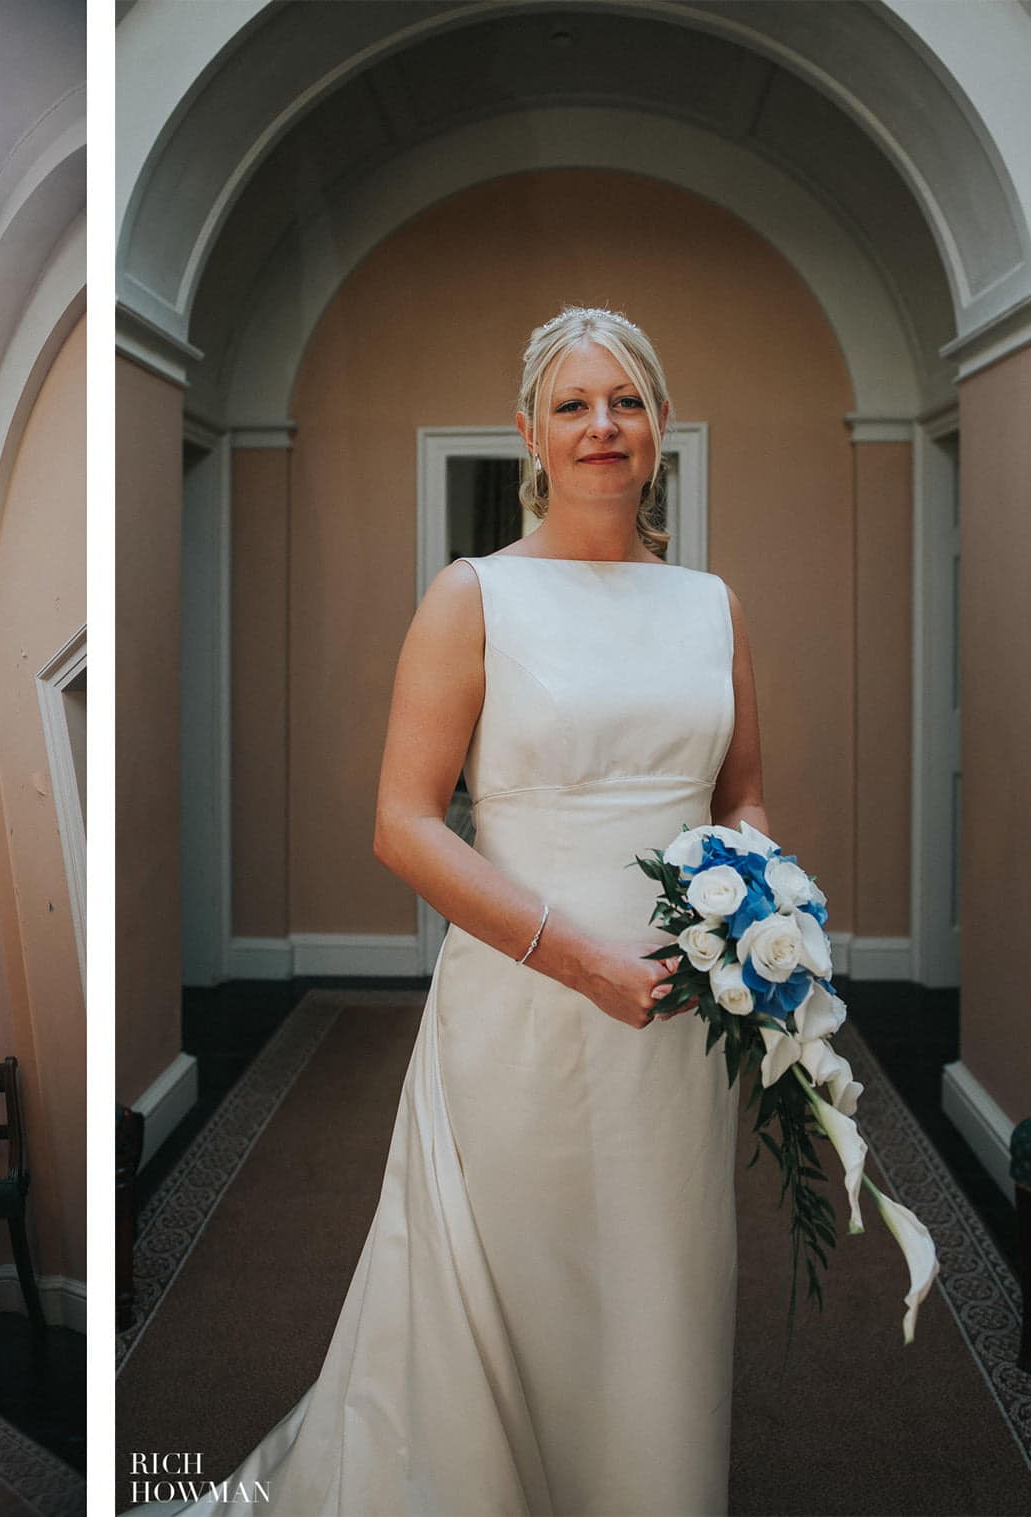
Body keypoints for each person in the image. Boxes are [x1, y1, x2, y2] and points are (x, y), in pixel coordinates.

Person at [149, 306, 765, 1515]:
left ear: (658, 432)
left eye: (626, 401)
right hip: (525, 998)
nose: (602, 425)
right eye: (575, 404)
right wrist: (576, 953)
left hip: (680, 1015)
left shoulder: (712, 605)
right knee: (515, 1276)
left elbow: (739, 795)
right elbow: (404, 821)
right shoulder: (472, 593)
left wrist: (760, 907)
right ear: (527, 433)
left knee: (658, 1277)